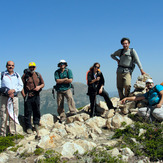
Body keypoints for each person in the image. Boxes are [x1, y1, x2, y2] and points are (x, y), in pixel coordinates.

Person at [0, 61, 23, 136]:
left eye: (12, 65)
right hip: (4, 97)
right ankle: (3, 133)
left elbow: (21, 85)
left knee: (13, 114)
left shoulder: (17, 75)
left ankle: (12, 132)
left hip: (14, 97)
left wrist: (14, 90)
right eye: (9, 65)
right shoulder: (2, 74)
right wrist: (7, 91)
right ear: (6, 66)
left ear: (14, 66)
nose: (11, 67)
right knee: (3, 115)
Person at [21, 62, 44, 137]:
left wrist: (39, 87)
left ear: (35, 67)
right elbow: (21, 86)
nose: (32, 68)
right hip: (28, 95)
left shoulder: (38, 75)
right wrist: (24, 95)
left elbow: (43, 84)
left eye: (33, 67)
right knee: (28, 112)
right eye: (31, 67)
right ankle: (28, 127)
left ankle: (36, 124)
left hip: (36, 95)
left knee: (36, 110)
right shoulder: (25, 76)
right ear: (28, 68)